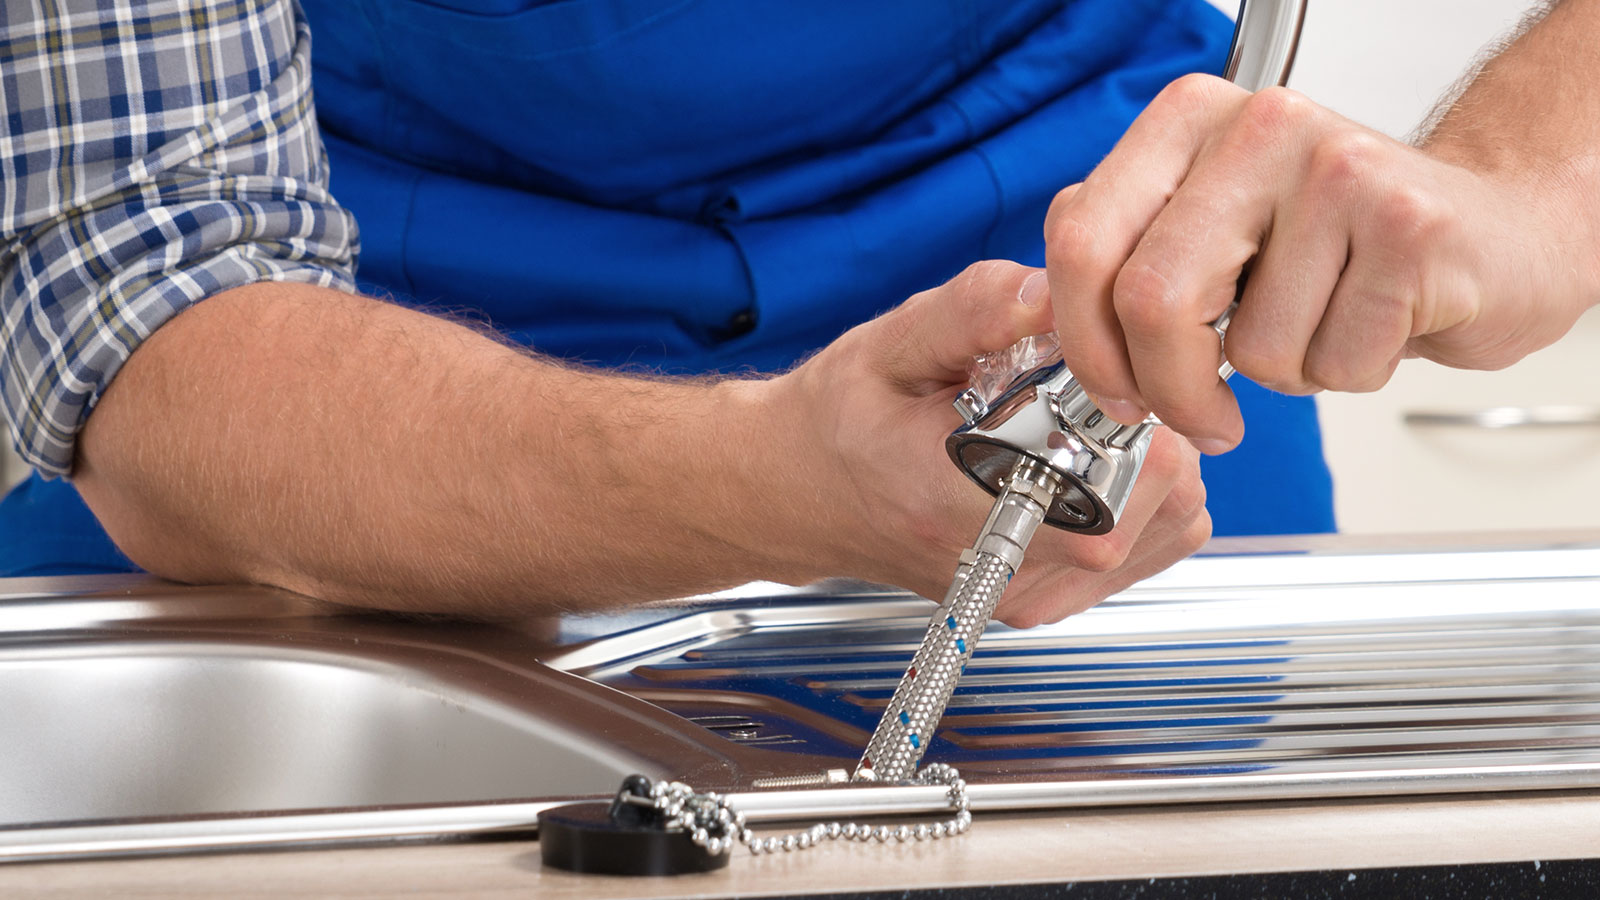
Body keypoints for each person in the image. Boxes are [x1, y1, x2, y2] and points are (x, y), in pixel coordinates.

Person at [3, 1, 1594, 625]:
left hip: (1101, 308)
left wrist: (1527, 187)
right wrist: (762, 476)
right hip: (332, 396)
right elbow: (146, 281)